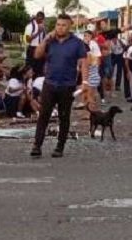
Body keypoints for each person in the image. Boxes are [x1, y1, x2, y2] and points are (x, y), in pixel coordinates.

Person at [31, 14, 90, 158]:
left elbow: (84, 62)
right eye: (58, 25)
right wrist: (45, 39)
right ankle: (37, 145)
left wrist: (85, 83)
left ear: (69, 27)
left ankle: (60, 146)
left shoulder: (77, 43)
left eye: (63, 25)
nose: (60, 28)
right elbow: (37, 55)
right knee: (43, 115)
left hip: (67, 85)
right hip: (50, 83)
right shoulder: (50, 42)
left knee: (64, 116)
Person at [82, 30, 103, 110]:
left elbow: (97, 59)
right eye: (85, 36)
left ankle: (92, 112)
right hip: (90, 75)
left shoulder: (93, 46)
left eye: (88, 36)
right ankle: (89, 112)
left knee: (89, 95)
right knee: (87, 95)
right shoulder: (85, 47)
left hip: (91, 75)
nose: (86, 37)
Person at [24, 11, 47, 76]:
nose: (41, 21)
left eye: (42, 19)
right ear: (36, 17)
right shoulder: (30, 26)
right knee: (30, 69)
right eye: (40, 19)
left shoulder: (43, 26)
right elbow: (27, 40)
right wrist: (38, 32)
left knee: (39, 69)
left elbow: (44, 38)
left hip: (40, 49)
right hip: (32, 49)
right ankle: (28, 84)